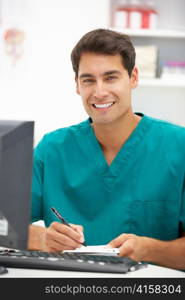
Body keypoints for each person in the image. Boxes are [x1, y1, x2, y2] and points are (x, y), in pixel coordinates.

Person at [29, 28, 185, 270]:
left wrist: (149, 249)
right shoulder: (52, 150)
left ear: (133, 77)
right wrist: (42, 238)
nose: (99, 92)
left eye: (111, 77)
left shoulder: (178, 146)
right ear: (77, 85)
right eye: (88, 80)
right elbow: (5, 226)